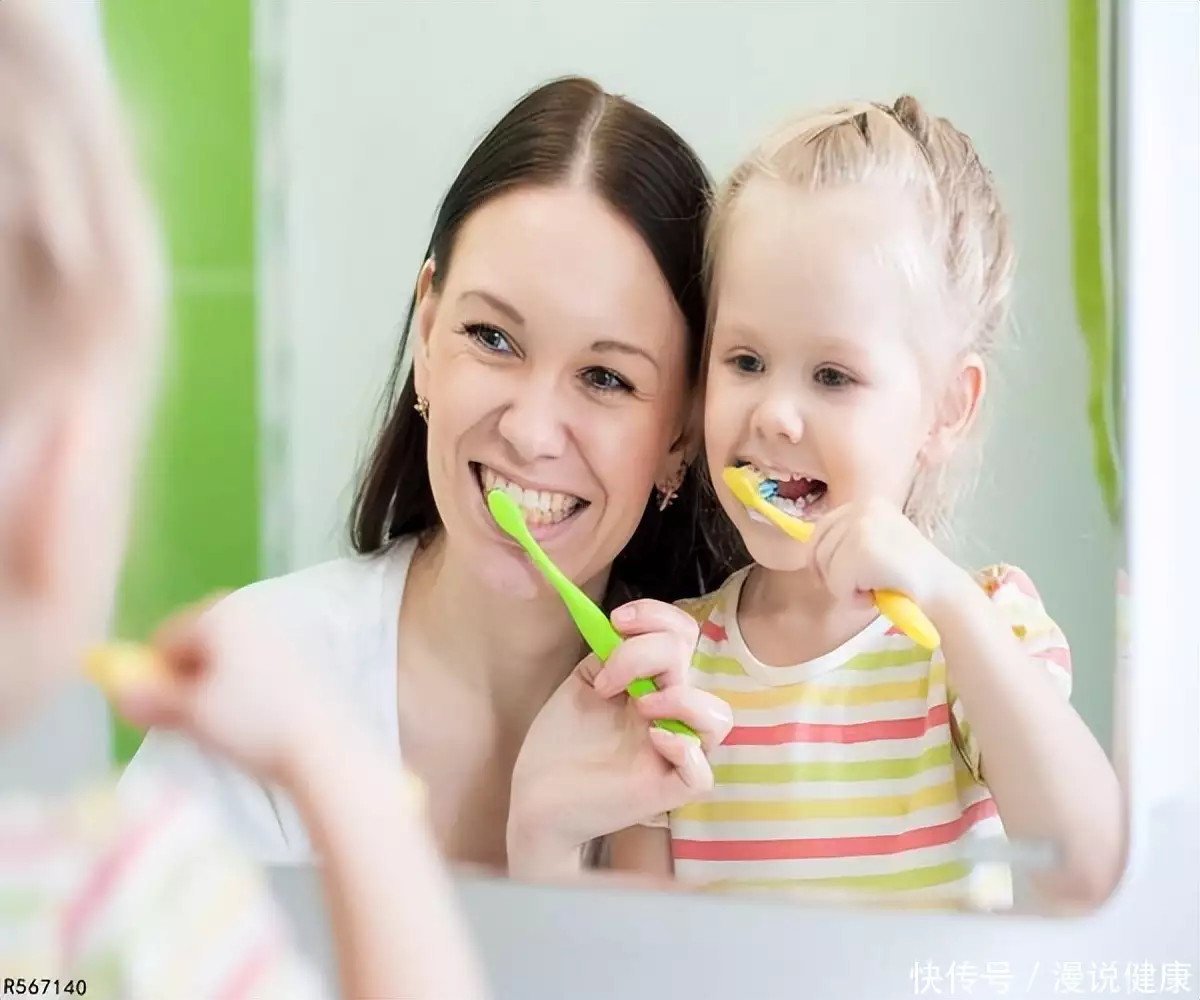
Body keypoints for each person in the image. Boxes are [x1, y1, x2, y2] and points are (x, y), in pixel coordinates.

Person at [122, 77, 743, 874]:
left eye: (606, 378)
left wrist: (546, 845)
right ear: (426, 327)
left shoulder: (726, 736)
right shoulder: (260, 672)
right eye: (493, 337)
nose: (529, 429)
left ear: (682, 434)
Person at [0, 4, 486, 997]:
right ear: (60, 478)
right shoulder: (112, 905)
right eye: (494, 336)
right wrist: (340, 778)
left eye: (609, 376)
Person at [606, 96, 1125, 910]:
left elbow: (1088, 872)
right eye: (745, 359)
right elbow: (632, 955)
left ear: (947, 410)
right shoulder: (679, 665)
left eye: (833, 376)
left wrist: (950, 605)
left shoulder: (977, 637)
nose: (774, 413)